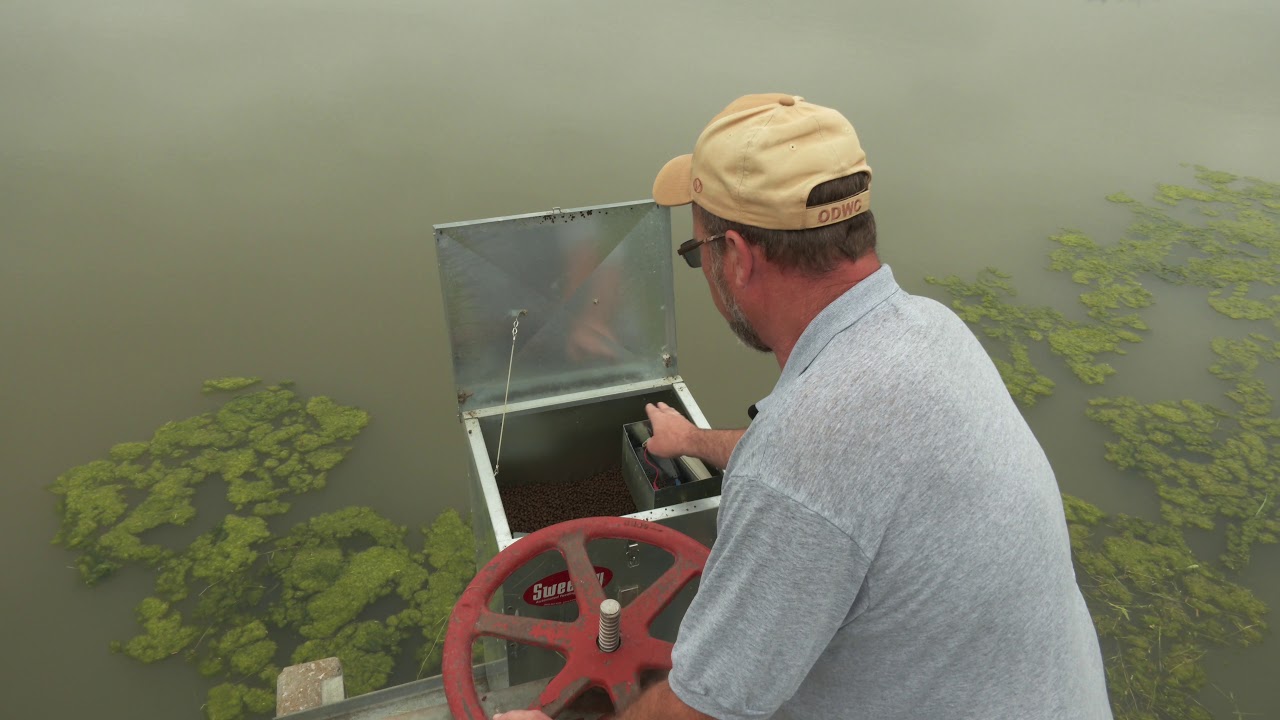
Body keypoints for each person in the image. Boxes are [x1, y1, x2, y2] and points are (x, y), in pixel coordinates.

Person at [497, 93, 1112, 720]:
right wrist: (691, 443)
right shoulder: (932, 330)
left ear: (735, 257)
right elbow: (840, 474)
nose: (704, 266)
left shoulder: (801, 462)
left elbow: (705, 709)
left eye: (697, 251)